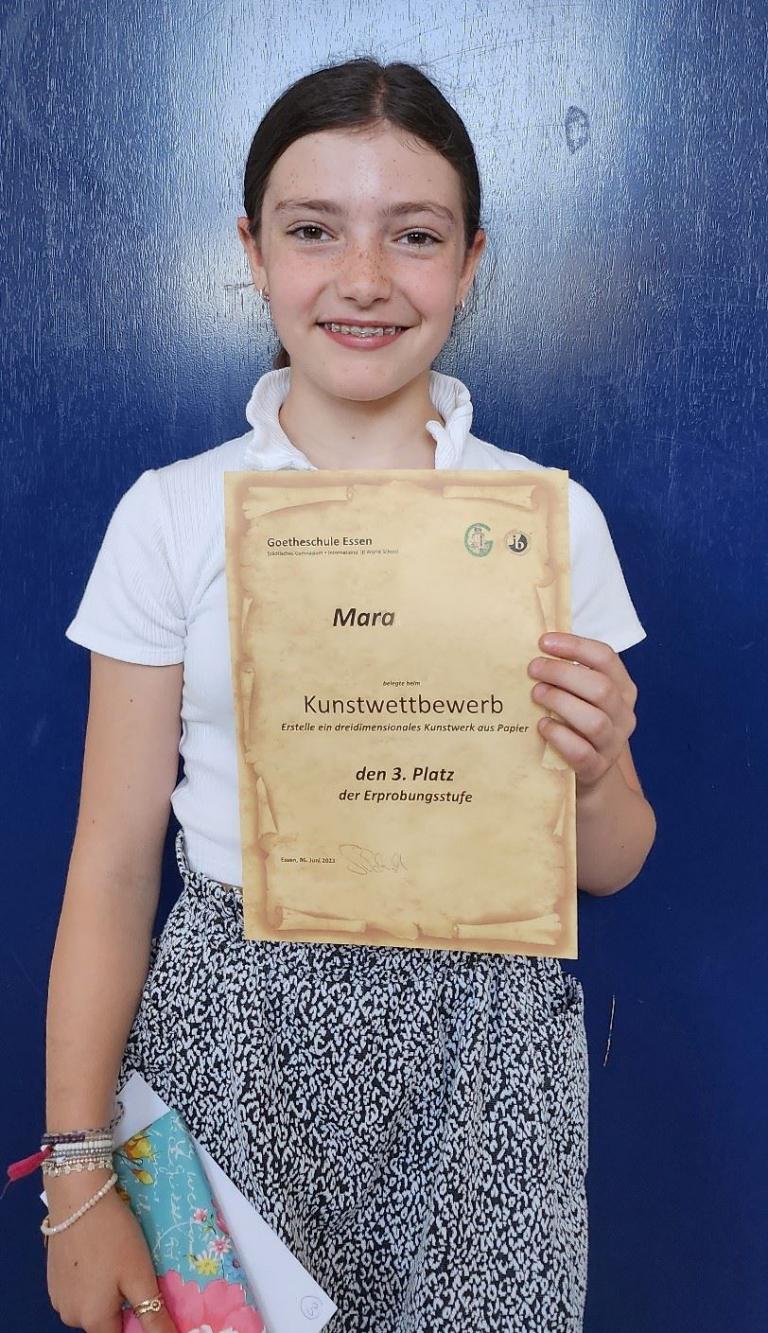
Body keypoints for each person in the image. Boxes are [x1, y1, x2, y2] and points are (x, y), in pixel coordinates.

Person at [40, 57, 656, 1333]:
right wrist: (76, 1168)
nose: (363, 277)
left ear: (471, 262)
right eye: (313, 229)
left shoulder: (549, 522)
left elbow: (614, 861)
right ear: (253, 253)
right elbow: (110, 862)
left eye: (414, 236)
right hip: (233, 1045)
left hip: (485, 1059)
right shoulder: (171, 517)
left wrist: (598, 768)